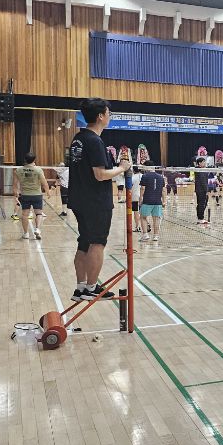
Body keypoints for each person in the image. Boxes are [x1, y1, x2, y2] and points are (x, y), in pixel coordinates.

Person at [68, 98, 131, 302]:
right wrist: (122, 168)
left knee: (84, 242)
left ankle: (80, 288)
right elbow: (100, 174)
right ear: (100, 116)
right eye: (108, 113)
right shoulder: (94, 141)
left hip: (79, 198)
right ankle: (92, 288)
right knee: (97, 243)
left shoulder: (78, 138)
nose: (110, 116)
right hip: (95, 201)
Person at [14, 152, 50, 240]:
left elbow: (15, 184)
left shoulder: (18, 170)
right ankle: (37, 229)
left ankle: (26, 234)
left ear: (25, 160)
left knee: (25, 215)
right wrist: (48, 192)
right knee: (38, 213)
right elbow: (44, 182)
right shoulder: (38, 170)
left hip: (25, 195)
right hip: (37, 195)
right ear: (34, 160)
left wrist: (16, 193)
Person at [139, 165, 165, 242]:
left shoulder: (145, 176)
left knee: (143, 217)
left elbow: (143, 188)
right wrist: (164, 200)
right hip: (158, 202)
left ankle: (145, 235)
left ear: (146, 167)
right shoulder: (161, 177)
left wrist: (141, 198)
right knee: (156, 218)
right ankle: (156, 236)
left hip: (147, 201)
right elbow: (163, 190)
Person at [193, 157, 210, 224]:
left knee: (202, 203)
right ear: (199, 163)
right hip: (201, 190)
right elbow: (203, 181)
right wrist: (207, 190)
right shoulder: (199, 170)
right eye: (203, 162)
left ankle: (200, 217)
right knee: (201, 204)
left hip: (201, 189)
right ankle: (200, 218)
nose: (205, 163)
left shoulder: (202, 169)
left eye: (205, 161)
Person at [128, 166, 143, 232]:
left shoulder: (132, 178)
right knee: (143, 212)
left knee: (136, 212)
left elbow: (129, 187)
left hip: (135, 197)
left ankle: (137, 227)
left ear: (133, 170)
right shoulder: (143, 176)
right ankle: (146, 225)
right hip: (143, 197)